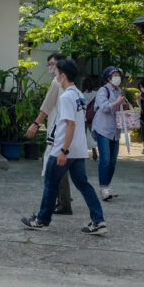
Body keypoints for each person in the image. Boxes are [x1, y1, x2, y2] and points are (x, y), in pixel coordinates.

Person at [20, 58, 107, 235]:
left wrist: (63, 150)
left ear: (64, 76)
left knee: (50, 184)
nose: (55, 75)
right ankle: (98, 221)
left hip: (64, 149)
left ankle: (42, 220)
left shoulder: (67, 96)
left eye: (57, 72)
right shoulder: (79, 95)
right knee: (83, 185)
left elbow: (70, 124)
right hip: (78, 150)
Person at [25, 52, 72, 214]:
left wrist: (35, 124)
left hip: (56, 131)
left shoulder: (56, 83)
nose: (50, 68)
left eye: (53, 64)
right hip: (62, 131)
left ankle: (54, 205)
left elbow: (46, 106)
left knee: (51, 167)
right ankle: (63, 200)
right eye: (49, 64)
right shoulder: (69, 86)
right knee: (63, 169)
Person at [91, 65, 126, 201]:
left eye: (119, 75)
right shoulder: (103, 90)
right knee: (105, 160)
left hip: (115, 130)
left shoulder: (119, 91)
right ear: (109, 77)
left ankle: (107, 186)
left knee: (112, 161)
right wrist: (117, 102)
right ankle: (103, 188)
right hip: (103, 129)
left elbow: (123, 107)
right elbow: (105, 108)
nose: (118, 77)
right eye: (115, 75)